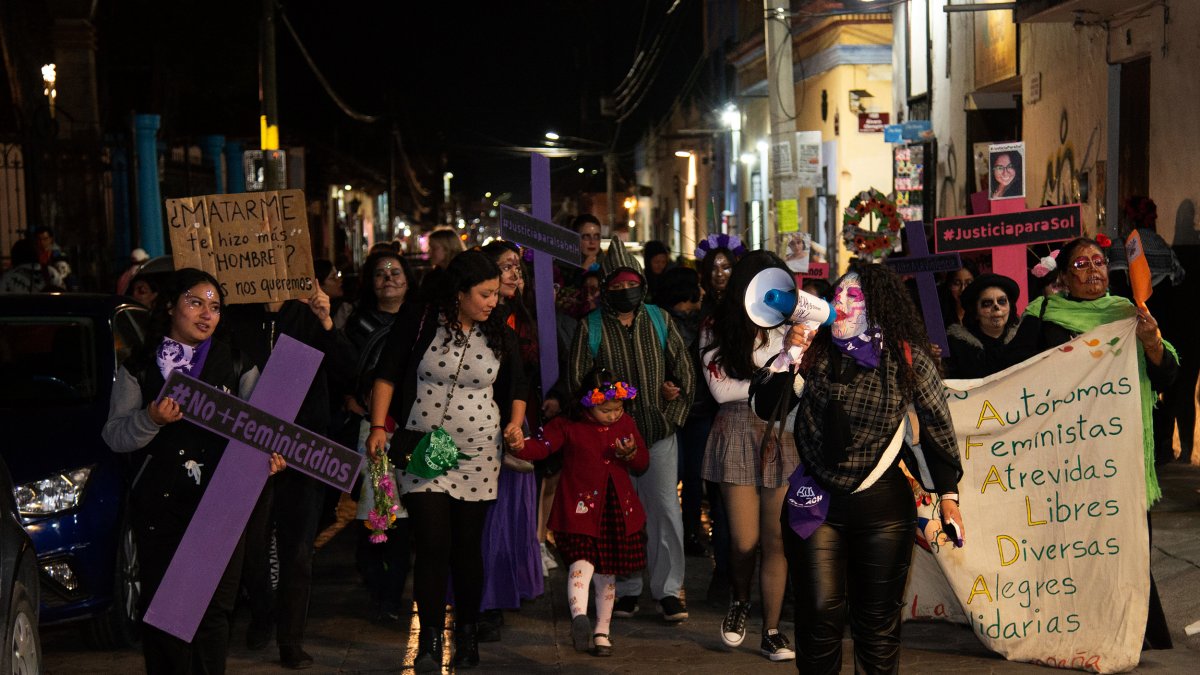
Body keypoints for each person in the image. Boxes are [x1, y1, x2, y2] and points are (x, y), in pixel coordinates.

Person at [751, 263, 964, 674]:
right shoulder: (811, 354)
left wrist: (949, 498)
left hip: (882, 510)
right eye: (839, 295)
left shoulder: (906, 359)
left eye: (855, 297)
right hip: (816, 506)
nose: (842, 304)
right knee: (817, 619)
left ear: (879, 308)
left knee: (878, 625)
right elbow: (764, 407)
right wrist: (790, 353)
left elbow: (938, 428)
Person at [101, 268, 286, 674]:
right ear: (170, 306)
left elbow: (266, 432)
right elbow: (114, 436)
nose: (206, 314)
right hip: (161, 508)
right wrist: (150, 419)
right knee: (166, 613)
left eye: (215, 306)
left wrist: (268, 459)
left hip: (222, 503)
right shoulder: (139, 368)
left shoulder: (238, 364)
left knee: (213, 613)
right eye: (195, 302)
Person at [1005, 235, 1179, 649]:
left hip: (1117, 452)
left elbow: (1168, 375)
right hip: (1061, 452)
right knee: (1069, 541)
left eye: (1099, 262)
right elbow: (1013, 375)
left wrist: (1151, 340)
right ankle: (1071, 627)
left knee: (1124, 542)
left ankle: (1129, 629)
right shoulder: (1042, 313)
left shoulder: (1128, 314)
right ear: (1063, 277)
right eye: (1080, 264)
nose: (1093, 270)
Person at [366, 250, 526, 672]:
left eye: (496, 293)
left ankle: (469, 631)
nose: (493, 301)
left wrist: (515, 425)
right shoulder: (420, 320)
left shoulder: (500, 331)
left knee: (466, 548)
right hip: (425, 448)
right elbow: (387, 372)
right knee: (433, 545)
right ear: (460, 293)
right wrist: (378, 426)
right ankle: (431, 638)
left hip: (478, 452)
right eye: (485, 293)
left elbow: (517, 386)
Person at [567, 236, 695, 622]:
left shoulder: (660, 319)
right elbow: (576, 383)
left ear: (641, 282)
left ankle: (668, 590)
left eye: (630, 283)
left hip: (657, 433)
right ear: (605, 289)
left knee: (664, 511)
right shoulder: (590, 326)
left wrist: (671, 413)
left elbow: (685, 373)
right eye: (617, 286)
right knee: (617, 515)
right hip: (610, 439)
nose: (625, 291)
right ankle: (624, 590)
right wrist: (599, 409)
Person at [222, 283, 336, 669]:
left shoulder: (308, 316)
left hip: (303, 448)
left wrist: (326, 321)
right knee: (252, 547)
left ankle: (291, 639)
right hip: (249, 447)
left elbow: (348, 370)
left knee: (298, 550)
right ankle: (262, 612)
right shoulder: (235, 316)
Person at [508, 367, 649, 657]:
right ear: (588, 403)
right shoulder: (568, 426)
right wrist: (520, 446)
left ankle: (602, 631)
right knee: (580, 563)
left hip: (615, 510)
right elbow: (542, 446)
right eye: (607, 410)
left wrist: (632, 453)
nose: (614, 415)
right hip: (580, 510)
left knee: (606, 573)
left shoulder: (626, 424)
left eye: (618, 408)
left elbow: (642, 462)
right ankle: (580, 618)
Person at [700, 251, 799, 662]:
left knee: (777, 540)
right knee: (745, 539)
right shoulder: (716, 326)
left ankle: (772, 630)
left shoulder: (792, 326)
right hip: (737, 430)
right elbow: (722, 391)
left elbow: (802, 385)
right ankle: (740, 601)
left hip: (783, 431)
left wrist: (791, 356)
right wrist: (776, 375)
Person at [336, 250, 414, 623]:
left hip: (416, 433)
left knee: (410, 515)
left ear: (408, 278)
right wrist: (350, 397)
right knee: (380, 512)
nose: (389, 279)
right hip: (376, 433)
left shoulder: (421, 323)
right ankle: (379, 588)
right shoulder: (358, 324)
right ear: (370, 282)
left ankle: (392, 594)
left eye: (396, 272)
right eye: (381, 274)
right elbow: (344, 369)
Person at [476, 241, 543, 640]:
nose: (514, 274)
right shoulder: (483, 320)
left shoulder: (524, 315)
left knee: (514, 512)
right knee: (489, 517)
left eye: (517, 266)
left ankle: (508, 587)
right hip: (486, 425)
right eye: (506, 267)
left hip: (521, 422)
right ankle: (485, 598)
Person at [656, 267, 711, 558]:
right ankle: (678, 532)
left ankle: (687, 532)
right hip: (677, 411)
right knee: (678, 475)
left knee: (689, 476)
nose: (702, 293)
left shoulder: (703, 321)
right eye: (697, 287)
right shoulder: (661, 323)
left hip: (697, 410)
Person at [944, 273, 1022, 379]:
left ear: (1010, 307)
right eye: (987, 303)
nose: (996, 307)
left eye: (1002, 301)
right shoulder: (957, 345)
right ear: (975, 312)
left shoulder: (1024, 338)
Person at [418, 228, 466, 303]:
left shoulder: (464, 275)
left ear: (448, 249)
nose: (429, 251)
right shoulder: (431, 278)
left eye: (433, 248)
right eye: (429, 247)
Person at [937, 263, 977, 327]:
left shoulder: (983, 315)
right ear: (949, 285)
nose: (963, 289)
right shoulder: (939, 314)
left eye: (969, 283)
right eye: (957, 283)